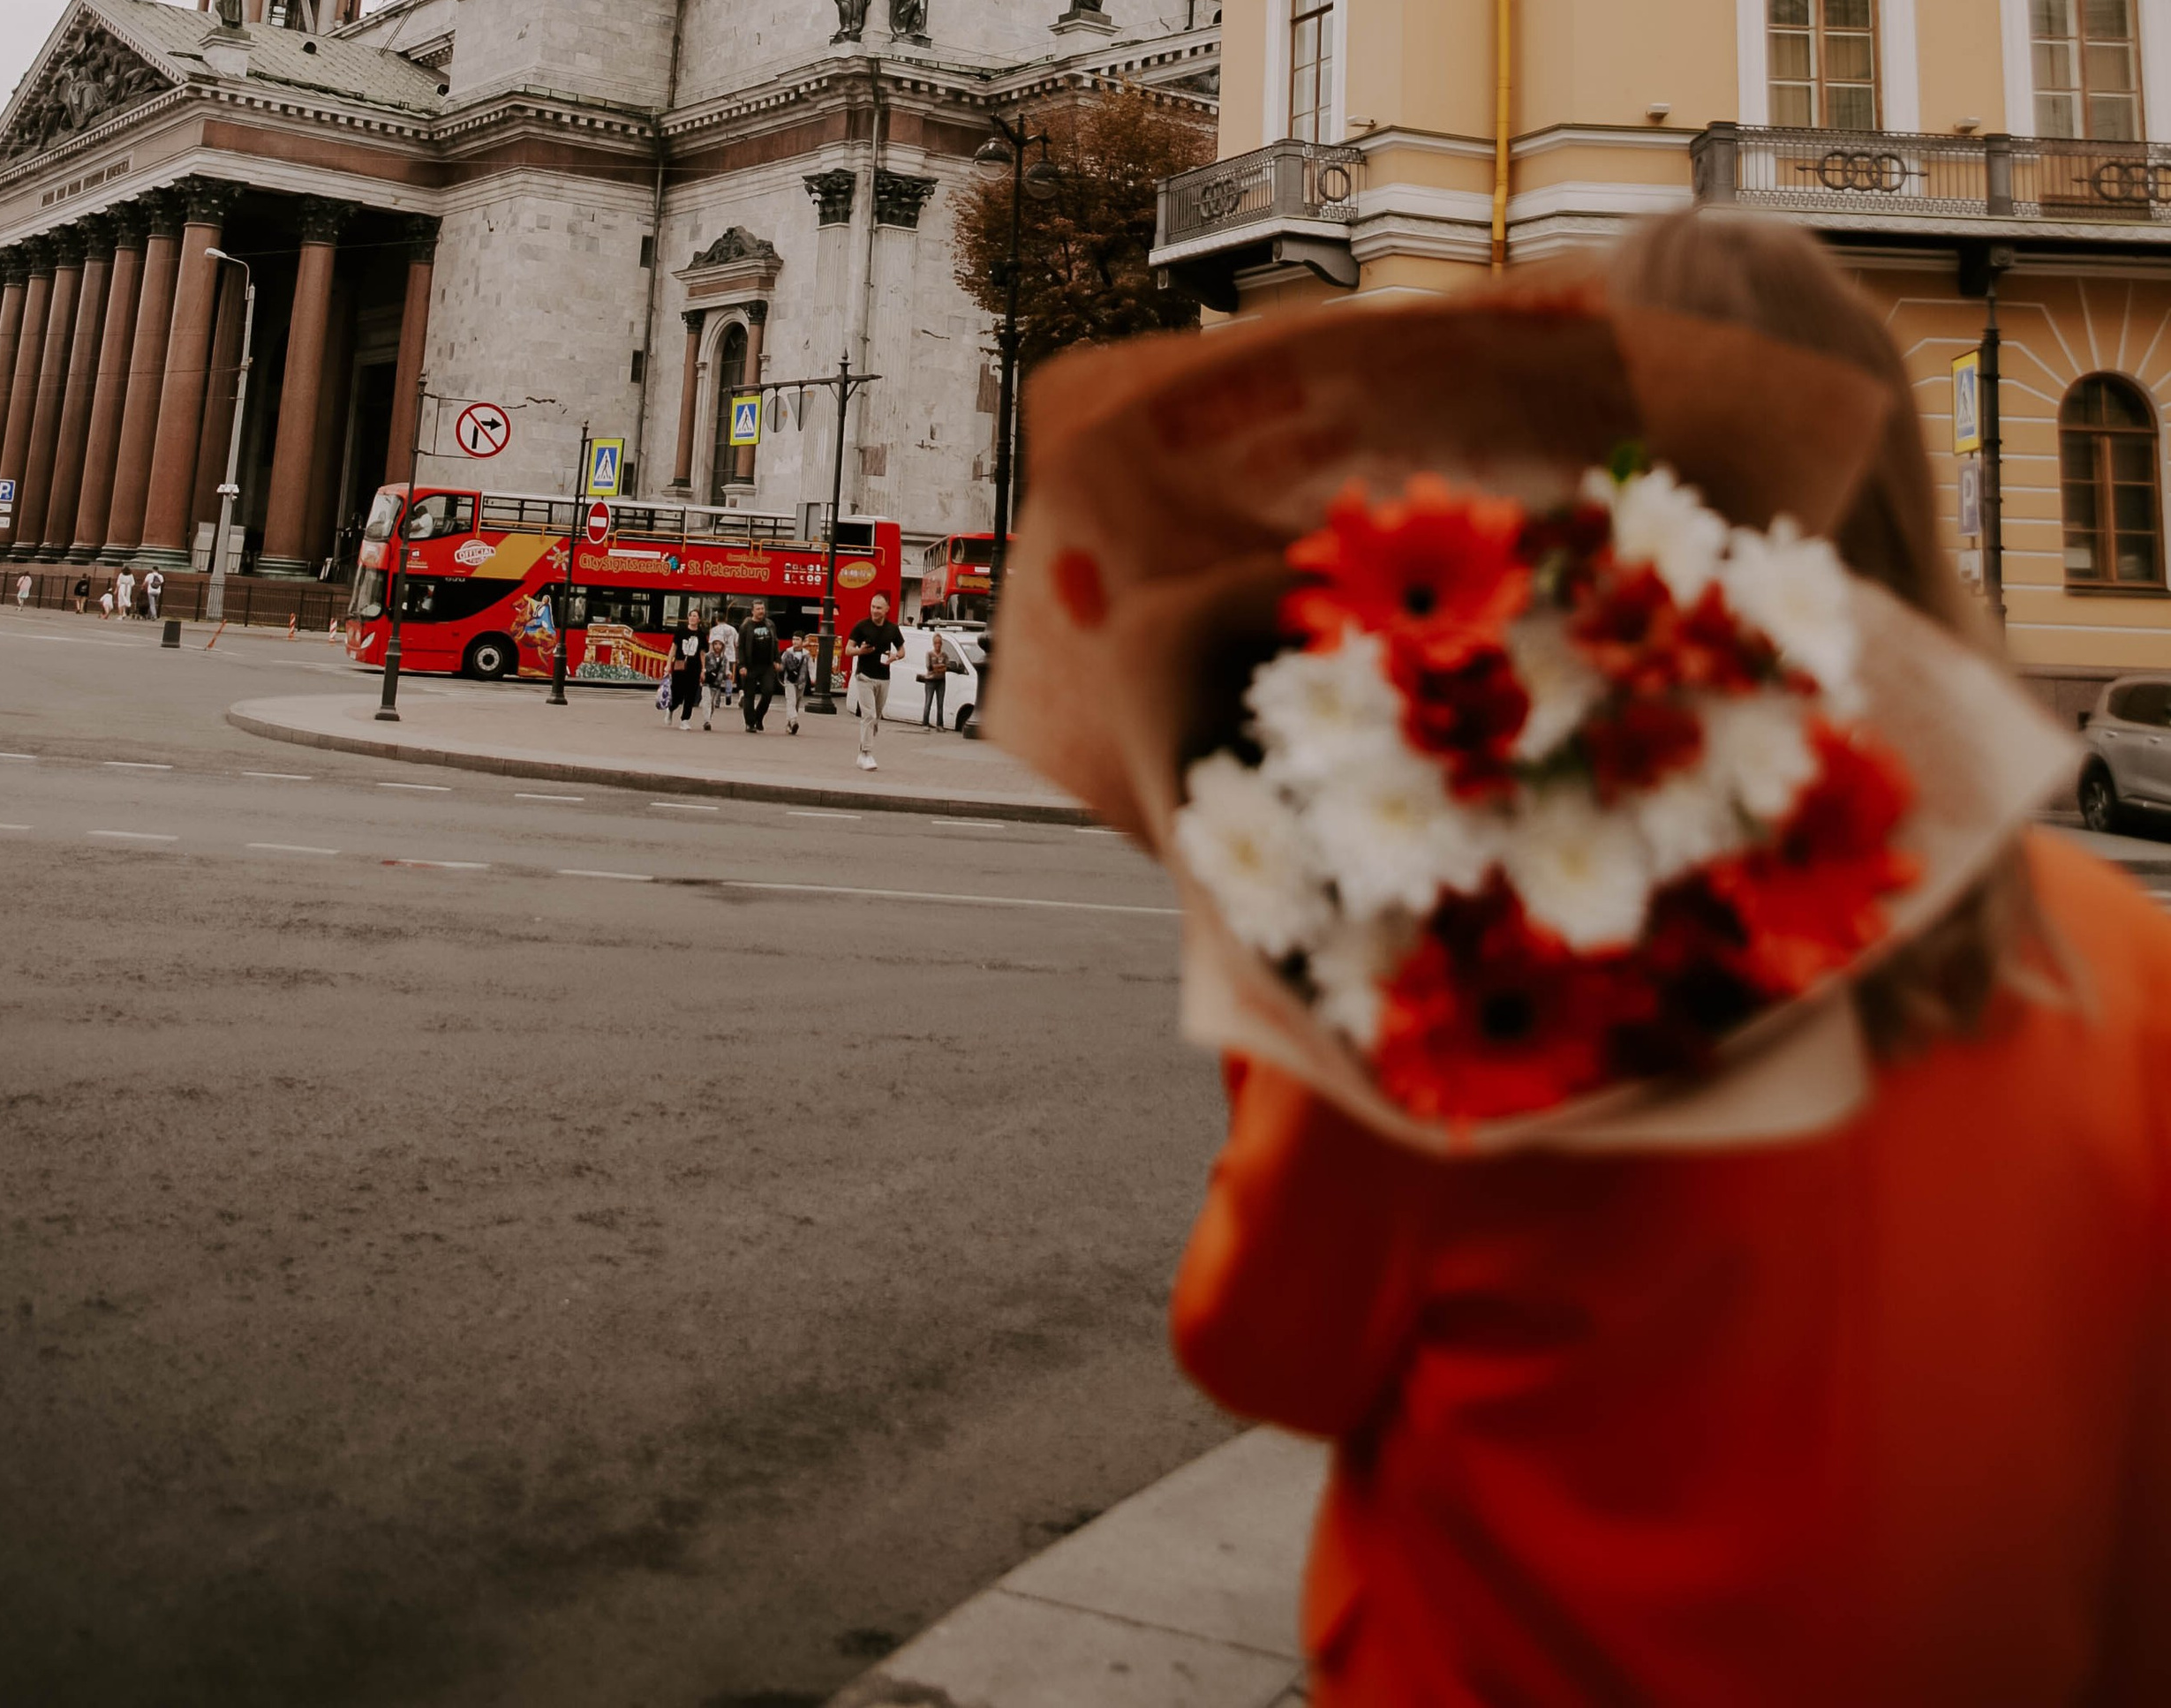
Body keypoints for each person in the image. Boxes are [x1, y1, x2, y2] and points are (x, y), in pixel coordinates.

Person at [1168, 214, 2171, 1708]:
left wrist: (1294, 981)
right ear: (1898, 496)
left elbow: (1267, 1349)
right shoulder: (2132, 968)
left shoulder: (1480, 942)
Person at [847, 593, 902, 771]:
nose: (875, 611)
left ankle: (863, 749)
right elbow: (848, 650)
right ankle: (866, 754)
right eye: (872, 607)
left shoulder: (892, 629)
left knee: (875, 717)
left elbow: (902, 650)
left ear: (887, 609)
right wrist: (860, 651)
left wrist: (895, 656)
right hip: (864, 676)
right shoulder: (861, 626)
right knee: (868, 715)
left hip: (883, 677)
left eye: (878, 608)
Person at [918, 625, 951, 730]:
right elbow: (929, 667)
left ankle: (940, 724)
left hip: (941, 681)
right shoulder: (929, 654)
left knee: (940, 703)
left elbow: (947, 667)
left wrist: (938, 668)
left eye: (939, 643)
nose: (938, 645)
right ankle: (925, 723)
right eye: (936, 643)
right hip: (930, 681)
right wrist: (939, 667)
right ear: (933, 643)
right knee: (928, 702)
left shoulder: (944, 655)